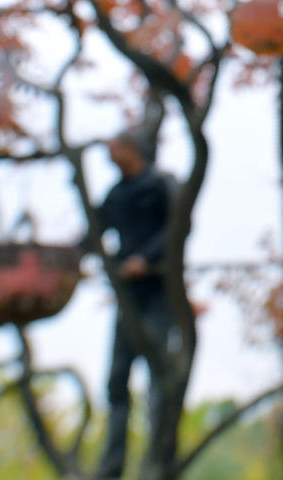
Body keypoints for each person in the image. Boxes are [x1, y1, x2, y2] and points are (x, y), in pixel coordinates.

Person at [91, 124, 175, 479]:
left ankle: (158, 462)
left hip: (159, 292)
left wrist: (148, 257)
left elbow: (178, 226)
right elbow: (94, 232)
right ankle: (111, 467)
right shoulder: (115, 194)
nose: (108, 153)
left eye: (114, 146)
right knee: (116, 380)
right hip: (128, 298)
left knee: (158, 376)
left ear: (131, 148)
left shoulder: (161, 184)